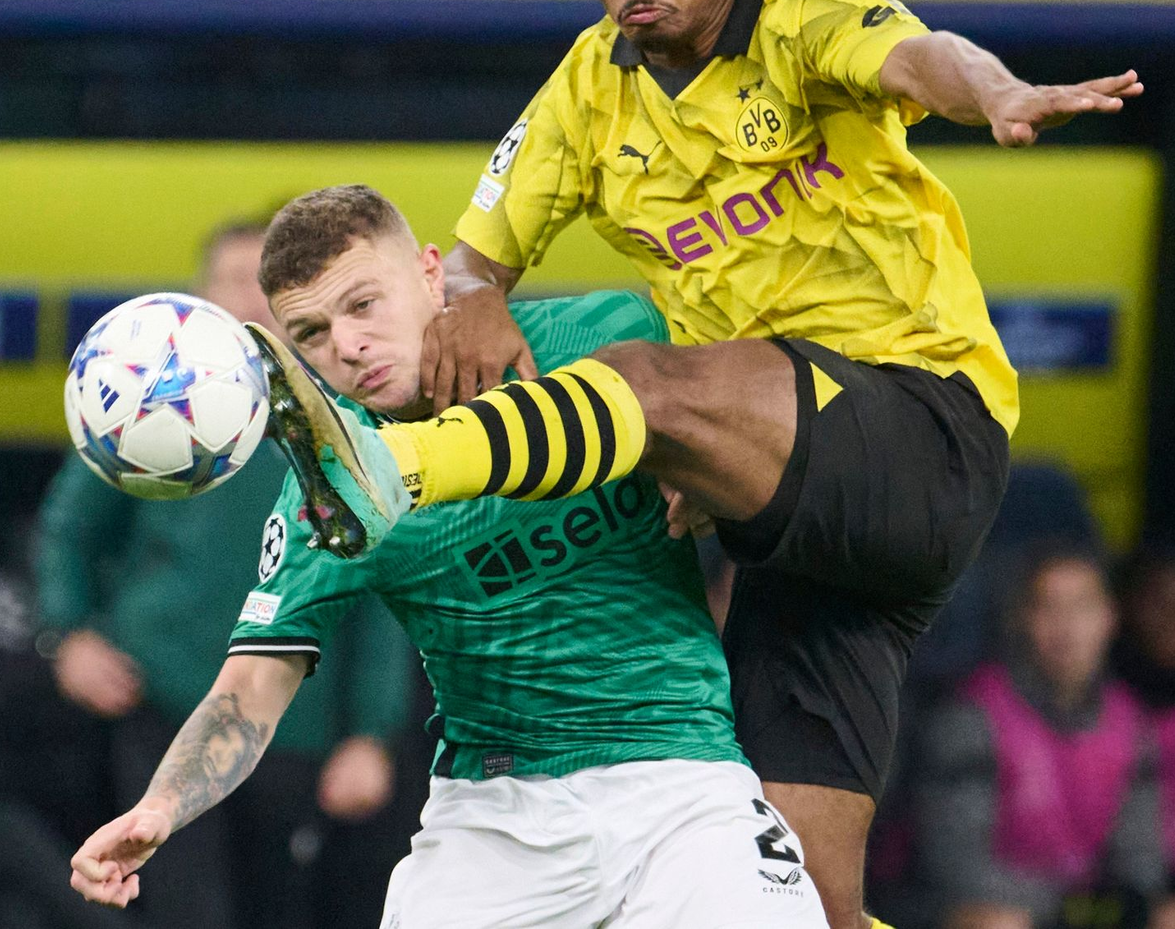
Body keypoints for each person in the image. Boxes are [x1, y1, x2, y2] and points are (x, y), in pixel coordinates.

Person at [253, 0, 1143, 929]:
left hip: (918, 425)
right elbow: (473, 256)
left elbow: (923, 56)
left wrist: (998, 94)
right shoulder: (587, 92)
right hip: (807, 547)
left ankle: (388, 471)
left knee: (643, 384)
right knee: (799, 902)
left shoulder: (801, 15)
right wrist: (472, 294)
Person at [68, 185, 826, 929]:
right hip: (493, 820)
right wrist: (160, 807)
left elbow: (792, 409)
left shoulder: (604, 337)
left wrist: (709, 462)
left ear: (432, 274)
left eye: (363, 305)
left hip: (683, 785)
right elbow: (248, 692)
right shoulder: (327, 495)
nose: (347, 345)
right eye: (312, 333)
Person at [42, 220, 408, 929]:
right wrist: (69, 636)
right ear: (197, 298)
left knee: (280, 910)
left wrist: (370, 733)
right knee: (184, 910)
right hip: (161, 701)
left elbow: (381, 589)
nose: (248, 299)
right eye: (232, 280)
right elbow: (69, 529)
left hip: (294, 725)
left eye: (265, 284)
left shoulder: (341, 420)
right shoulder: (149, 409)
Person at [914, 544, 1165, 929]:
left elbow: (1141, 863)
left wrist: (1120, 906)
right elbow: (956, 867)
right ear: (1021, 618)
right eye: (1048, 607)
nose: (1066, 627)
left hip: (1081, 911)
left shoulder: (1132, 724)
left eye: (1082, 607)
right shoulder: (972, 716)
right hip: (987, 910)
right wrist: (1070, 908)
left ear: (1110, 617)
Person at [1113, 549, 1175, 924]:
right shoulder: (1099, 706)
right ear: (1125, 606)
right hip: (1120, 891)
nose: (1174, 617)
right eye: (1159, 601)